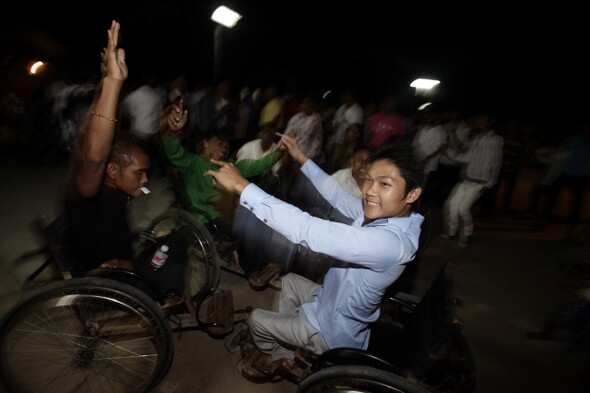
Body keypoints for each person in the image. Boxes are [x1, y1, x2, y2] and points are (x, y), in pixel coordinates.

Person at [203, 134, 424, 379]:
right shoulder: (387, 216)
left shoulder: (389, 244)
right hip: (329, 300)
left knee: (256, 319)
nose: (370, 191)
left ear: (412, 194)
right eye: (369, 180)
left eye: (384, 184)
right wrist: (299, 155)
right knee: (288, 281)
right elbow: (337, 195)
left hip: (331, 330)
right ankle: (288, 345)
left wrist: (241, 186)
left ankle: (278, 353)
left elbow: (306, 230)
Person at [161, 99, 284, 282]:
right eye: (219, 143)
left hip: (223, 219)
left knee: (258, 217)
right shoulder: (193, 162)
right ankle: (255, 268)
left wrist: (279, 151)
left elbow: (257, 166)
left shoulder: (230, 165)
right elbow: (174, 151)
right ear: (205, 143)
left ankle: (258, 269)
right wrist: (172, 131)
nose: (223, 148)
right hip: (202, 220)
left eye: (226, 146)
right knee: (244, 226)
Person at [440, 113, 504, 247]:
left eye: (482, 118)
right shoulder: (477, 138)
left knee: (463, 209)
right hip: (468, 178)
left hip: (481, 181)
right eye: (479, 118)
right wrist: (449, 150)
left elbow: (497, 162)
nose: (479, 121)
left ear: (491, 122)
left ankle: (467, 235)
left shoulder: (495, 140)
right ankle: (452, 232)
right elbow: (466, 156)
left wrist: (491, 182)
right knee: (452, 205)